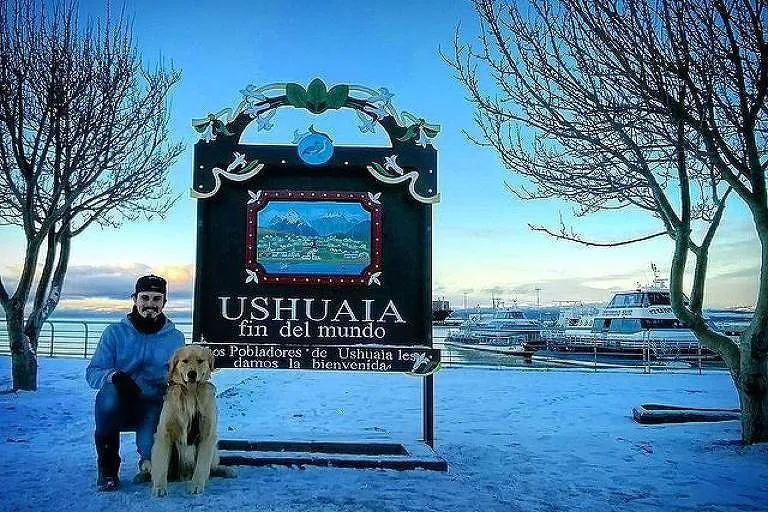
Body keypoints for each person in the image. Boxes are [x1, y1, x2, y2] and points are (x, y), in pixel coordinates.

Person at [86, 275, 185, 492]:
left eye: (156, 298)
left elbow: (178, 377)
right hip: (119, 402)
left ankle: (149, 461)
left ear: (164, 302)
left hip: (153, 404)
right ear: (135, 299)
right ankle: (108, 468)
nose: (150, 304)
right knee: (108, 396)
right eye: (145, 297)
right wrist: (115, 376)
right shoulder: (114, 333)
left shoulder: (176, 338)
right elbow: (93, 373)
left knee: (151, 449)